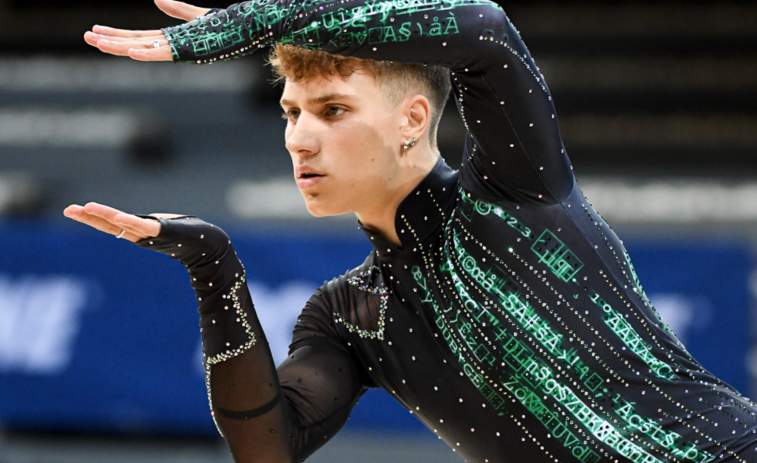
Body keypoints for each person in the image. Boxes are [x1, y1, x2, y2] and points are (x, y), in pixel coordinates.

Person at [65, 0, 757, 462]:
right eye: (290, 112)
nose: (300, 139)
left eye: (331, 109)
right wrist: (213, 266)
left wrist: (261, 18)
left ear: (411, 119)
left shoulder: (511, 192)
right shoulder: (348, 315)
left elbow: (484, 29)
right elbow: (268, 447)